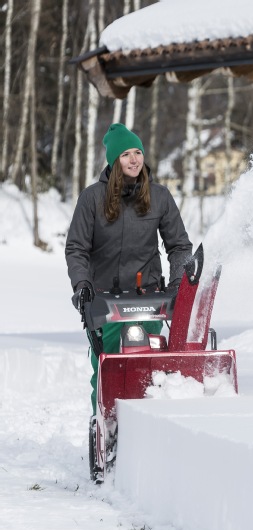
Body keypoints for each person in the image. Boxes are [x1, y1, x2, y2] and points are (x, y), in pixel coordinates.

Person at [65, 123, 193, 411]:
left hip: (148, 299)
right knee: (108, 372)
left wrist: (177, 285)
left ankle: (148, 425)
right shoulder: (91, 198)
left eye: (138, 152)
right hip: (105, 303)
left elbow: (180, 246)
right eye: (125, 154)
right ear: (113, 160)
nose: (134, 160)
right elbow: (77, 248)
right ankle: (105, 430)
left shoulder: (159, 196)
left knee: (149, 368)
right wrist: (82, 285)